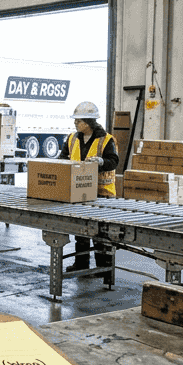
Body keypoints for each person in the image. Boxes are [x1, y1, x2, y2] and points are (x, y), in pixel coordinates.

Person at [64, 101, 119, 278]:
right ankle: (81, 264)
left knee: (101, 233)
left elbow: (114, 161)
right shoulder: (72, 138)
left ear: (88, 123)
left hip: (101, 194)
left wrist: (101, 162)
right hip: (80, 191)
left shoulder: (106, 140)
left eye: (78, 121)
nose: (75, 124)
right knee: (81, 231)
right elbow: (63, 157)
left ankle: (103, 269)